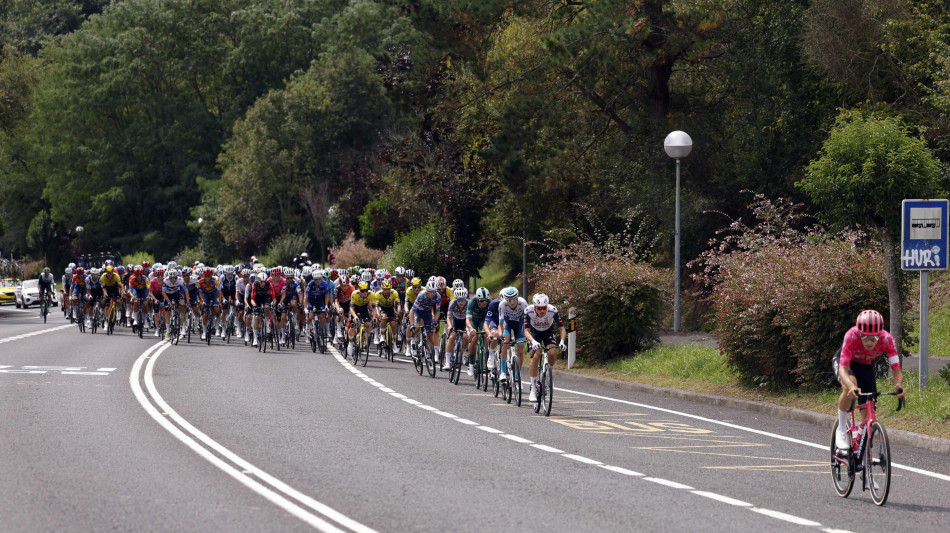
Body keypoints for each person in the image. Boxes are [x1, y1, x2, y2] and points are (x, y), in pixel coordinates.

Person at [833, 310, 905, 454]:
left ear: (880, 335)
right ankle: (841, 429)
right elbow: (843, 370)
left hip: (866, 366)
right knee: (850, 387)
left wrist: (898, 385)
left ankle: (865, 458)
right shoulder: (851, 336)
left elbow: (896, 370)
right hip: (847, 364)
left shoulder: (887, 339)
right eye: (865, 337)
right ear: (859, 334)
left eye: (874, 338)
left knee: (868, 420)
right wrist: (852, 386)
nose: (870, 342)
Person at [524, 293, 567, 402]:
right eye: (539, 308)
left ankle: (548, 373)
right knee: (536, 356)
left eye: (544, 308)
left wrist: (562, 341)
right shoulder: (528, 311)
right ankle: (533, 389)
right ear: (534, 307)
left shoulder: (553, 310)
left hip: (548, 332)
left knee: (552, 352)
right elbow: (526, 331)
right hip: (534, 333)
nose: (542, 311)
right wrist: (532, 341)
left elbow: (562, 328)